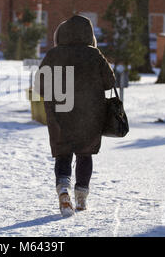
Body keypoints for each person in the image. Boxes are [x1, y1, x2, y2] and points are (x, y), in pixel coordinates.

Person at [35, 15, 116, 216]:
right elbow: (110, 82)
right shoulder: (94, 54)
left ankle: (63, 189)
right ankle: (81, 196)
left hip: (60, 111)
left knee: (63, 153)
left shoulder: (53, 54)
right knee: (84, 153)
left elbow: (39, 85)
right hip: (89, 113)